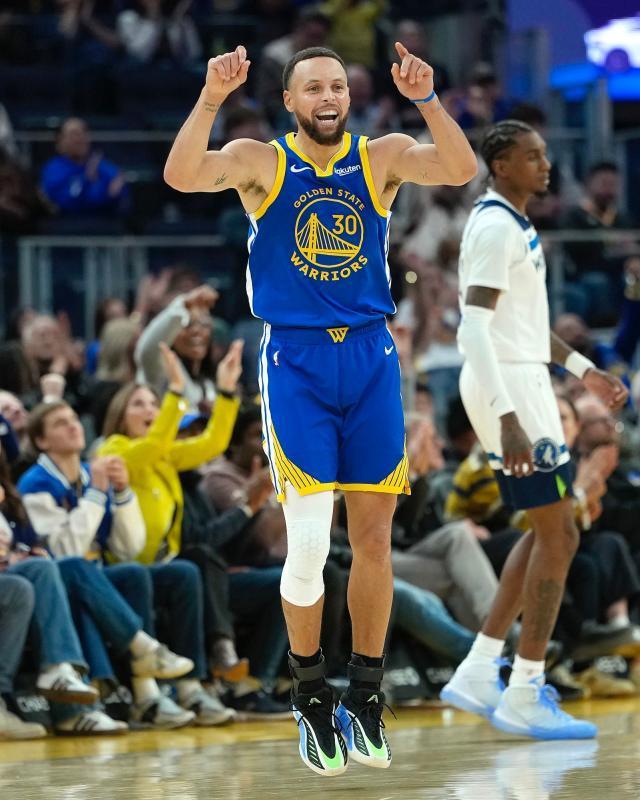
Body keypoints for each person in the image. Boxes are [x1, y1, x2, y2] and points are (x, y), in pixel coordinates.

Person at [164, 42, 477, 774]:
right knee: (308, 544)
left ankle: (364, 696)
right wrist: (210, 99)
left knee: (374, 541)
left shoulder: (381, 156)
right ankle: (310, 696)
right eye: (313, 88)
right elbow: (182, 174)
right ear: (290, 101)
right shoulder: (262, 162)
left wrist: (428, 100)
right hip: (296, 362)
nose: (328, 96)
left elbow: (460, 168)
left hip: (370, 358)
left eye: (337, 85)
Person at [440, 120, 628, 740]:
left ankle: (480, 668)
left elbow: (521, 326)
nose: (546, 166)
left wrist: (583, 370)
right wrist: (507, 415)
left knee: (551, 528)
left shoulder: (511, 222)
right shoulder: (495, 228)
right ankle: (523, 687)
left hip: (521, 378)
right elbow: (473, 330)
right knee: (560, 533)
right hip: (509, 388)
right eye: (532, 157)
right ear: (500, 166)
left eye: (546, 155)